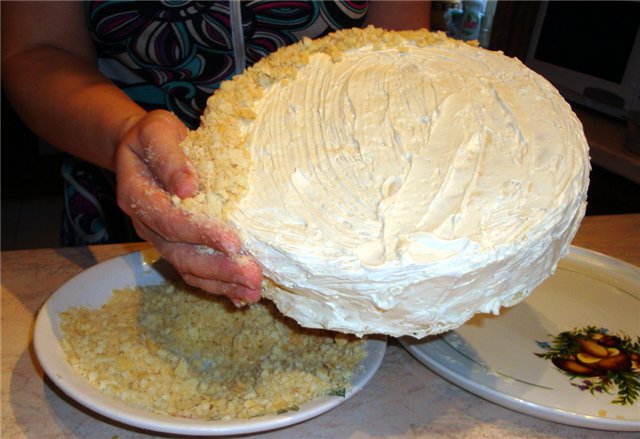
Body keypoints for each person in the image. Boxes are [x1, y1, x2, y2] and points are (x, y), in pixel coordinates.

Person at [1, 1, 430, 306]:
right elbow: (36, 49)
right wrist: (126, 134)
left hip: (339, 205)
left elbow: (398, 49)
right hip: (127, 191)